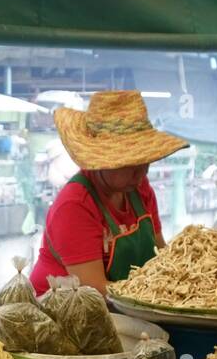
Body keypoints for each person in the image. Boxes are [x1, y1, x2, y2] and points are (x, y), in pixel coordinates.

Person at [29, 90, 188, 295]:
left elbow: (160, 255)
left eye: (145, 160)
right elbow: (96, 290)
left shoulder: (139, 189)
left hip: (124, 304)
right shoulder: (75, 206)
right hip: (63, 311)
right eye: (131, 164)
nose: (142, 172)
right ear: (101, 162)